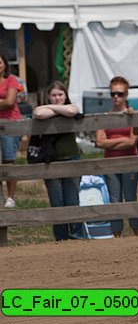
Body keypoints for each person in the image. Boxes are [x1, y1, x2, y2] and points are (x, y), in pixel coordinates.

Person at [32, 81, 86, 240]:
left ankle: (77, 236)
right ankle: (61, 238)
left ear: (66, 95)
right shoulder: (43, 109)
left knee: (73, 200)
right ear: (48, 96)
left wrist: (52, 109)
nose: (57, 98)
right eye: (54, 95)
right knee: (57, 202)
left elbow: (71, 111)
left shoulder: (73, 107)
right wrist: (58, 110)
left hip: (71, 158)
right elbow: (38, 114)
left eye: (60, 95)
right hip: (51, 161)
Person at [95, 76, 138, 237]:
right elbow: (99, 142)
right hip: (110, 163)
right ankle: (117, 235)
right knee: (114, 200)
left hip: (129, 161)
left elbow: (132, 142)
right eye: (113, 93)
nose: (116, 97)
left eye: (120, 94)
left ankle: (137, 233)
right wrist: (123, 140)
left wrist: (112, 141)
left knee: (130, 198)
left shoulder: (131, 115)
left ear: (126, 95)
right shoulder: (104, 116)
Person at [0, 53, 22, 208]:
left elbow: (10, 101)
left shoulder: (12, 80)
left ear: (5, 64)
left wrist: (5, 101)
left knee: (9, 159)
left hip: (10, 123)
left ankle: (10, 197)